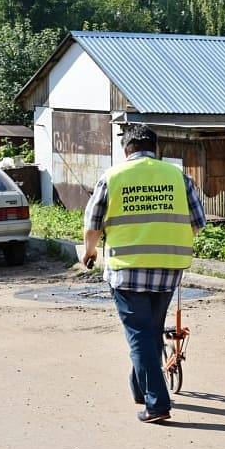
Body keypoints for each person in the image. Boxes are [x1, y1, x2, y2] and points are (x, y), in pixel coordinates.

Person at [82, 123, 206, 424]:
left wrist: (89, 252)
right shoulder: (178, 176)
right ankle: (141, 388)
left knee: (139, 336)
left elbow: (93, 222)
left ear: (127, 150)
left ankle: (157, 403)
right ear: (156, 149)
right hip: (168, 270)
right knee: (149, 332)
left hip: (126, 270)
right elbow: (198, 222)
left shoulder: (113, 177)